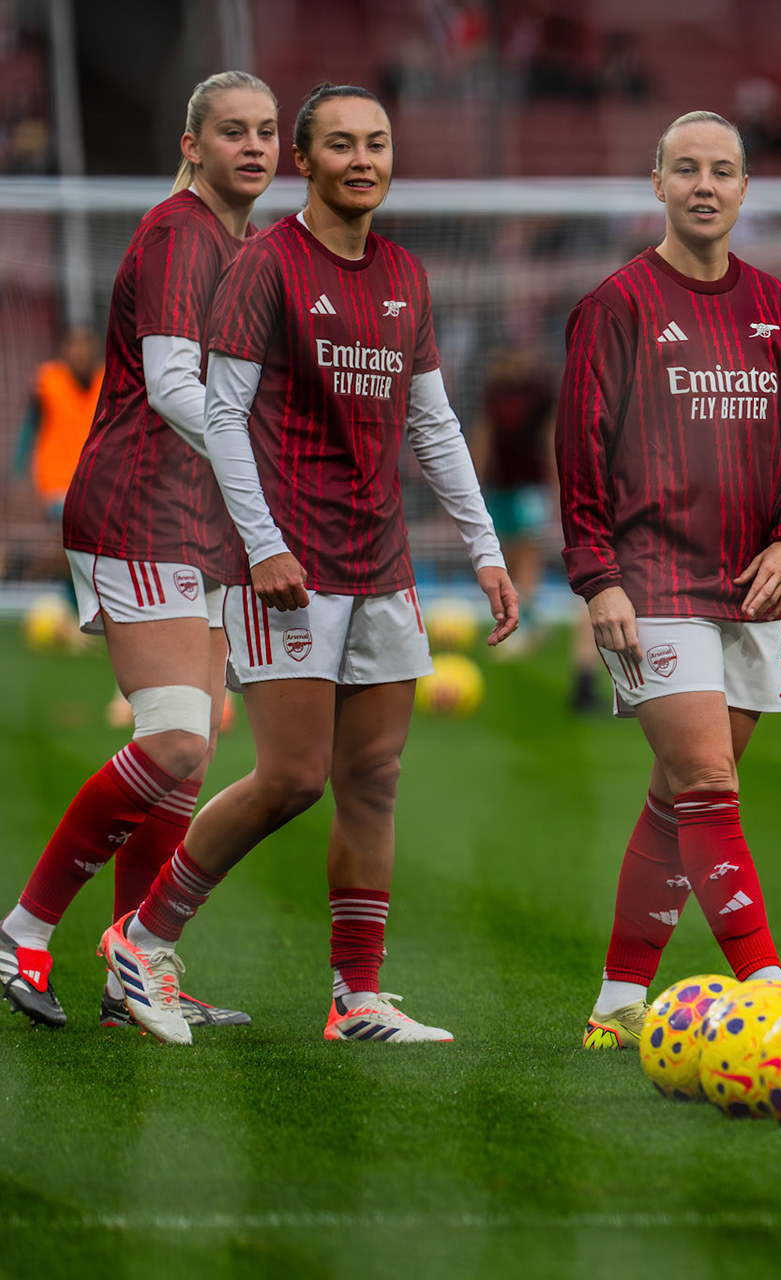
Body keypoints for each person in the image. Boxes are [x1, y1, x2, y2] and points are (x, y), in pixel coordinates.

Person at [100, 83, 519, 1046]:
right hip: (288, 563)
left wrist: (486, 549)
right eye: (340, 144)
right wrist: (265, 544)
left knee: (374, 776)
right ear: (305, 160)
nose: (362, 159)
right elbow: (219, 412)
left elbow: (434, 424)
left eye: (376, 143)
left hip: (384, 563)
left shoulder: (409, 273)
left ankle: (356, 997)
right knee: (293, 777)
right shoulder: (264, 265)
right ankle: (141, 940)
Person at [0, 72, 277, 1032]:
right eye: (232, 131)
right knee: (173, 740)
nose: (254, 147)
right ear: (194, 145)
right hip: (137, 505)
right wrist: (267, 471)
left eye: (268, 132)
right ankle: (22, 931)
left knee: (187, 765)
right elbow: (168, 384)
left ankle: (134, 971)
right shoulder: (178, 233)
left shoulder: (238, 244)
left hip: (197, 518)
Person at [558, 111, 781, 1049]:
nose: (705, 185)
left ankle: (619, 1001)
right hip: (653, 579)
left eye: (724, 171)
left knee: (679, 797)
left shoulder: (776, 307)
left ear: (746, 190)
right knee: (708, 781)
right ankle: (771, 989)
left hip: (751, 584)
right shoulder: (617, 305)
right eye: (687, 170)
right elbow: (580, 453)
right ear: (657, 184)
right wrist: (598, 580)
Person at [470, 346, 556, 658]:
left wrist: (556, 486)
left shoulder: (538, 394)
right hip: (502, 485)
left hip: (530, 486)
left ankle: (527, 624)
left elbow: (549, 439)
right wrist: (475, 483)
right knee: (509, 555)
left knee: (527, 556)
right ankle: (526, 619)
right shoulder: (495, 394)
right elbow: (484, 436)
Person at [14, 325, 103, 522]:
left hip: (97, 484)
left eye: (86, 346)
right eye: (75, 346)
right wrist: (16, 473)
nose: (81, 353)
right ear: (65, 349)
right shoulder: (48, 381)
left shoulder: (105, 380)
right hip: (57, 484)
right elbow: (28, 429)